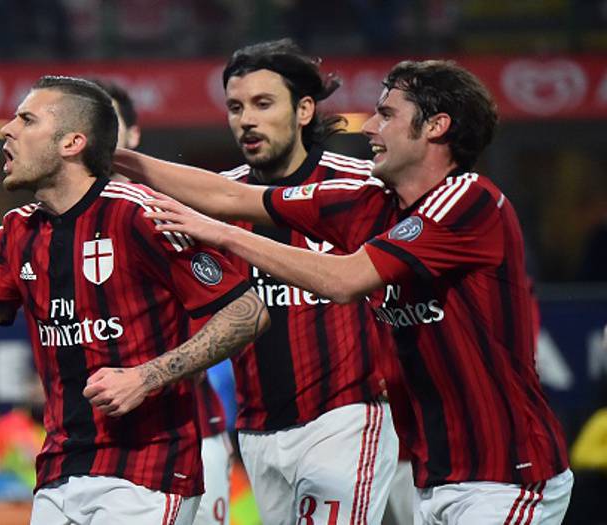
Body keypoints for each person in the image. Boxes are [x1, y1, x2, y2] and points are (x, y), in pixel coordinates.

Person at [114, 59, 573, 524]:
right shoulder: (372, 204)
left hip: (510, 475)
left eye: (387, 114)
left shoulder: (468, 200)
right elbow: (232, 197)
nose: (370, 126)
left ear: (436, 126)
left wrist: (224, 234)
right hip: (438, 477)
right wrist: (113, 158)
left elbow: (344, 280)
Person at [0, 75, 268, 524]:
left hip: (146, 469)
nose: (7, 129)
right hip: (59, 471)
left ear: (72, 143)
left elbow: (247, 312)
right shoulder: (17, 231)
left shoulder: (140, 214)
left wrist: (145, 377)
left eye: (27, 119)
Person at [135, 40, 404, 525]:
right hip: (257, 429)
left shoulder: (361, 187)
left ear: (304, 110)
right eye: (236, 108)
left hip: (345, 416)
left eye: (263, 104)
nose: (246, 120)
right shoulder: (214, 201)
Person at [94, 76, 235, 525]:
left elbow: (235, 313)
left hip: (188, 433)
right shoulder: (48, 228)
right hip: (92, 448)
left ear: (133, 135)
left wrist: (148, 376)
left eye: (107, 122)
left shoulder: (170, 216)